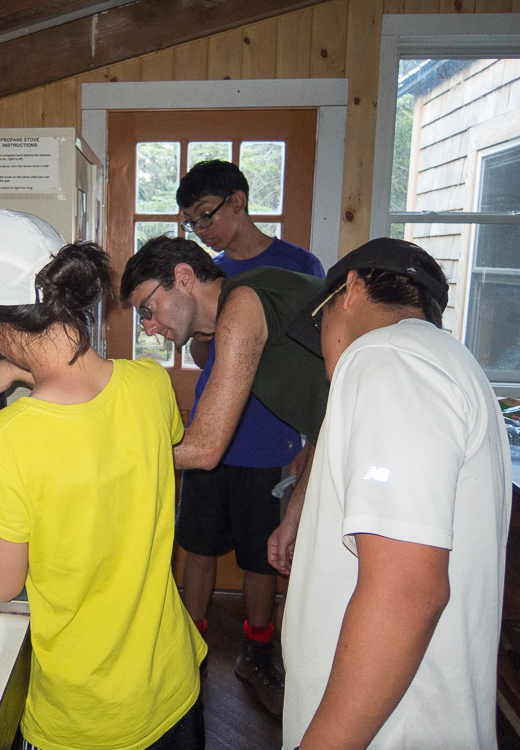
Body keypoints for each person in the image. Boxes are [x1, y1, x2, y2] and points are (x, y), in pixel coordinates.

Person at [0, 209, 207, 750]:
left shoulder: (2, 445)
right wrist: (20, 369)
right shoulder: (151, 384)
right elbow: (92, 415)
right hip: (173, 687)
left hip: (88, 719)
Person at [280, 237, 511, 750]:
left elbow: (408, 592)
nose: (322, 349)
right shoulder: (448, 363)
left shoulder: (388, 359)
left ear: (351, 290)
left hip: (385, 733)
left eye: (320, 324)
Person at [175, 160, 325, 714]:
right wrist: (201, 334)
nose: (201, 230)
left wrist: (309, 443)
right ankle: (189, 646)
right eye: (191, 223)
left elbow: (315, 358)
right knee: (198, 543)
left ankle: (258, 649)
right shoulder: (208, 273)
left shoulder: (298, 266)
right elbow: (204, 358)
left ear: (238, 201)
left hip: (270, 439)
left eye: (206, 215)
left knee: (264, 555)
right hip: (209, 432)